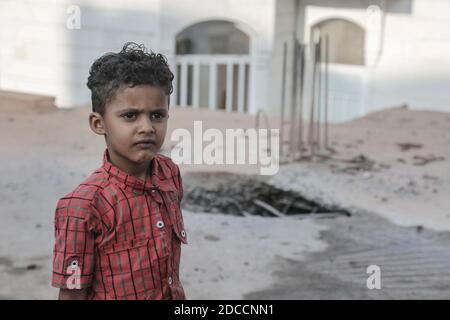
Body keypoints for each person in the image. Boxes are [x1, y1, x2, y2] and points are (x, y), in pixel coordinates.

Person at [51, 42, 188, 300]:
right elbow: (71, 294)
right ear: (99, 123)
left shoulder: (169, 174)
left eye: (157, 115)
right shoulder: (83, 206)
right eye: (130, 116)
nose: (147, 127)